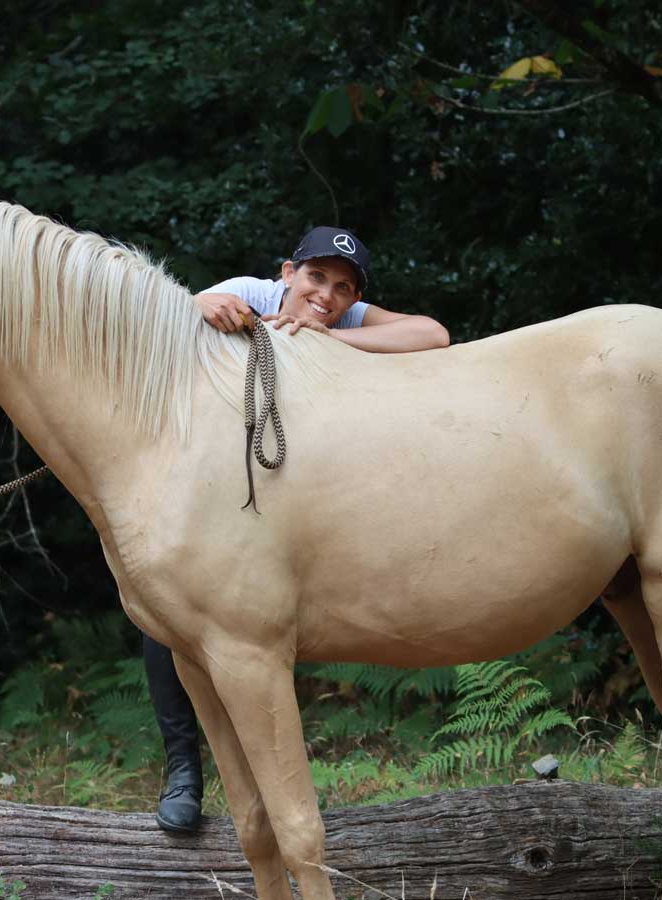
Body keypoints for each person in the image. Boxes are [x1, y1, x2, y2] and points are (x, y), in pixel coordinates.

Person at [147, 226, 449, 832]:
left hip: (295, 481)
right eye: (316, 278)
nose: (327, 295)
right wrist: (194, 303)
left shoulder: (345, 315)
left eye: (342, 288)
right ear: (287, 272)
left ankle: (276, 786)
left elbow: (433, 334)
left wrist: (337, 339)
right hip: (217, 474)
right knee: (166, 608)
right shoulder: (247, 291)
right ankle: (183, 767)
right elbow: (157, 332)